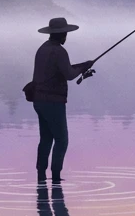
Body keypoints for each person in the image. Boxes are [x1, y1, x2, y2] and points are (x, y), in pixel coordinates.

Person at [31, 16, 93, 182]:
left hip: (38, 100)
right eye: (65, 33)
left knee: (46, 138)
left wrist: (83, 65)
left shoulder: (43, 48)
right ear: (62, 34)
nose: (66, 36)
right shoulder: (59, 51)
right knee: (62, 139)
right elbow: (69, 75)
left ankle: (41, 175)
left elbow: (62, 70)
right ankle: (56, 177)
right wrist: (83, 67)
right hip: (53, 102)